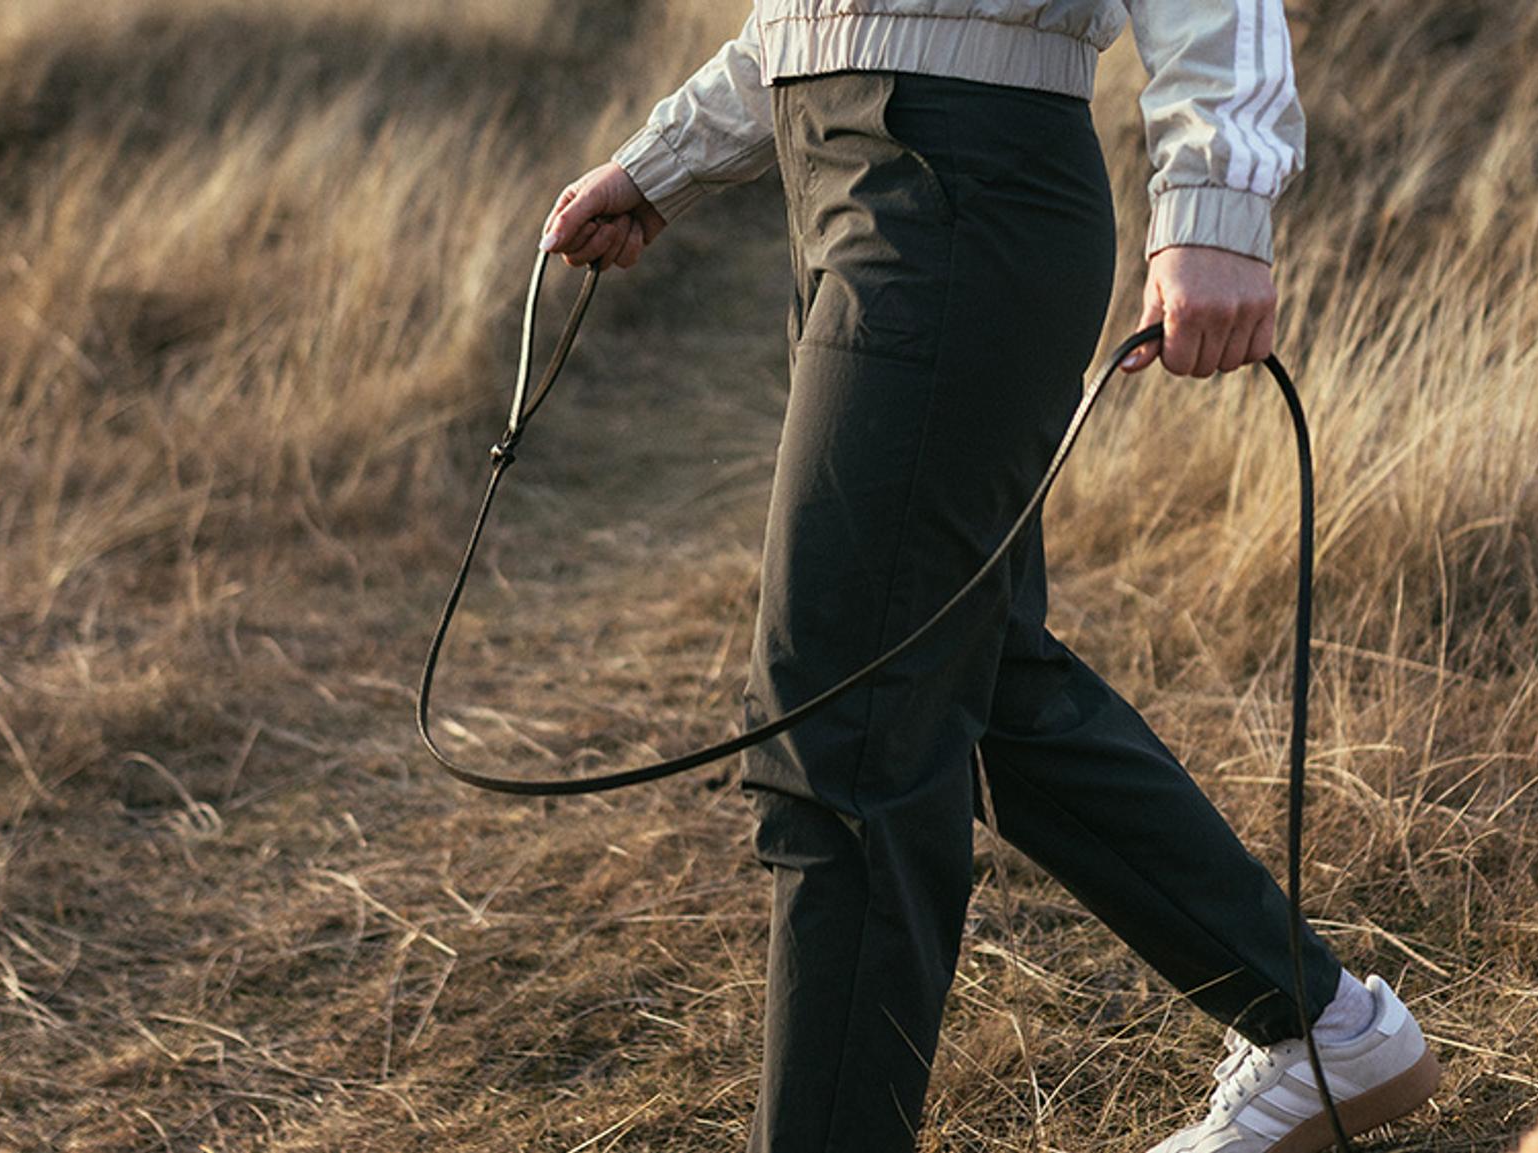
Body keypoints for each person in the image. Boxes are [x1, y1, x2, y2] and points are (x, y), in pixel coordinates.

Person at [537, 3, 1440, 1150]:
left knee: (845, 713)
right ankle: (1320, 1029)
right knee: (974, 679)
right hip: (842, 179)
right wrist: (666, 159)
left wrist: (1217, 202)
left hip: (958, 184)